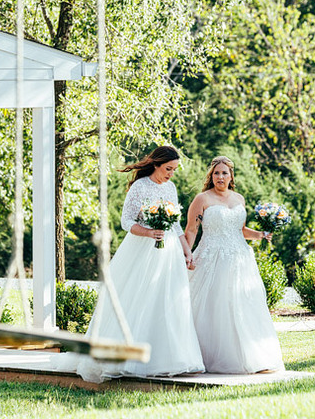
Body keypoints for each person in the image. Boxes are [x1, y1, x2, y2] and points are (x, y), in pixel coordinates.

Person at [76, 146, 204, 383]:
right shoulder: (140, 186)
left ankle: (172, 359)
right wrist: (148, 232)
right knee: (140, 299)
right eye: (168, 169)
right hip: (143, 250)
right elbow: (126, 221)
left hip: (169, 253)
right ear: (156, 164)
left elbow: (176, 225)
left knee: (169, 301)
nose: (171, 174)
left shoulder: (171, 188)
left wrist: (187, 251)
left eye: (174, 170)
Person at [185, 156, 284, 374]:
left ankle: (251, 357)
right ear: (211, 176)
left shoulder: (239, 199)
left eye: (224, 173)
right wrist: (187, 255)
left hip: (240, 258)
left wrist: (261, 234)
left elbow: (240, 230)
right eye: (216, 173)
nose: (220, 177)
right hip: (212, 258)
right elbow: (191, 230)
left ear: (231, 176)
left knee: (242, 304)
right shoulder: (202, 199)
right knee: (214, 306)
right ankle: (208, 357)